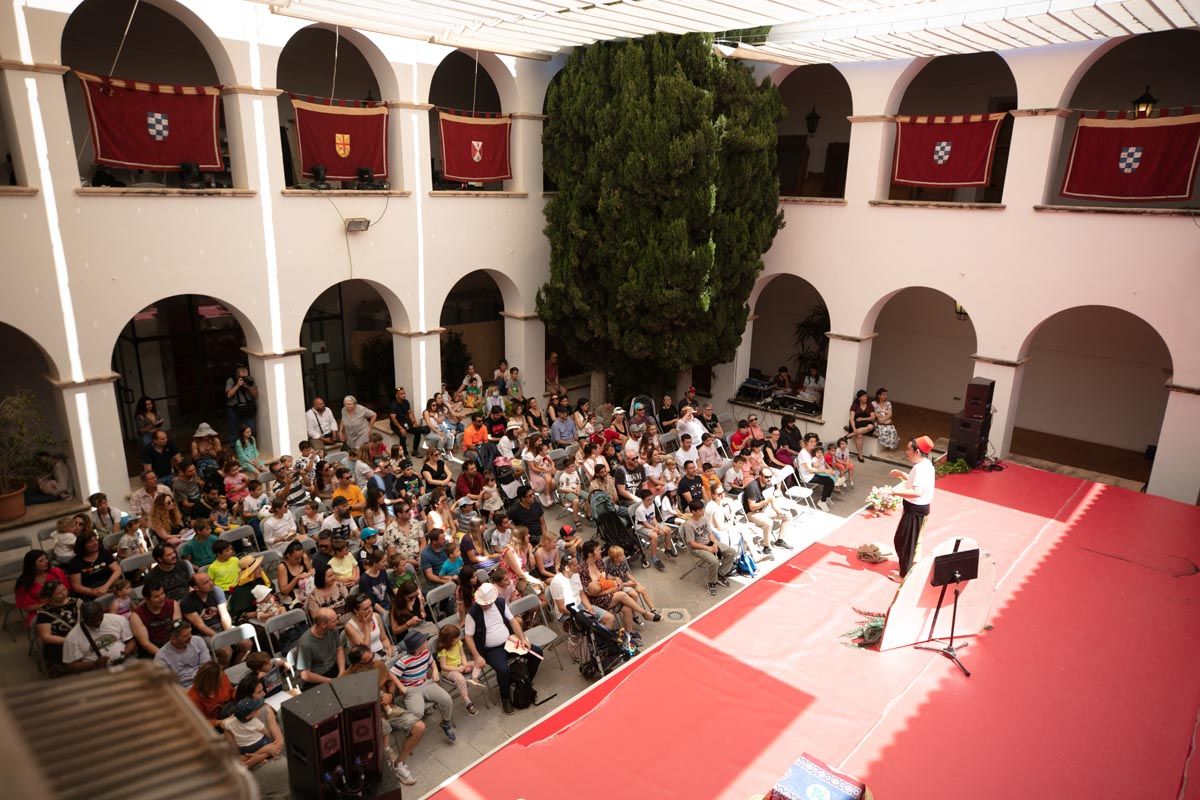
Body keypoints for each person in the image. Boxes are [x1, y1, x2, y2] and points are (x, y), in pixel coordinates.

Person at [463, 582, 541, 714]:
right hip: (491, 649)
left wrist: (522, 638)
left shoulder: (499, 603)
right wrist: (477, 656)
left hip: (509, 641)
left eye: (487, 603)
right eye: (483, 603)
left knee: (536, 653)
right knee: (504, 670)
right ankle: (505, 697)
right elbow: (468, 637)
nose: (485, 605)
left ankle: (524, 682)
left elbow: (512, 621)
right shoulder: (472, 613)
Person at [393, 631, 458, 742]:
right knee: (417, 713)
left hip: (426, 683)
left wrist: (435, 671)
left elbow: (432, 663)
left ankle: (446, 723)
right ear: (417, 647)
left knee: (446, 699)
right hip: (412, 689)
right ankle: (401, 702)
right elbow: (392, 674)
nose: (427, 641)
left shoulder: (426, 652)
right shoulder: (404, 661)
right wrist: (402, 688)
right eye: (424, 641)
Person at [889, 436, 936, 581]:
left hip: (915, 510)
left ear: (917, 451)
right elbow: (918, 484)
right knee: (911, 541)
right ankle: (909, 567)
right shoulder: (927, 464)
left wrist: (893, 492)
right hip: (919, 509)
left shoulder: (920, 468)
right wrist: (903, 475)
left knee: (905, 542)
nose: (906, 452)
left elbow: (917, 492)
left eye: (909, 449)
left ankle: (904, 575)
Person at [63, 599, 135, 671]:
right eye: (92, 622)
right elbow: (71, 665)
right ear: (83, 619)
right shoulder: (72, 637)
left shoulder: (118, 620)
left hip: (126, 663)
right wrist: (94, 664)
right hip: (98, 672)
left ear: (103, 612)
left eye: (100, 619)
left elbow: (131, 641)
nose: (97, 623)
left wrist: (126, 652)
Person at [682, 500, 735, 596]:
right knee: (714, 561)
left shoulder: (704, 519)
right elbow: (692, 543)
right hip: (698, 548)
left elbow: (710, 534)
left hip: (709, 543)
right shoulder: (688, 525)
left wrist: (714, 543)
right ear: (693, 512)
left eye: (703, 509)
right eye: (700, 510)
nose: (703, 512)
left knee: (731, 552)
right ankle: (711, 582)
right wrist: (708, 549)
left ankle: (720, 574)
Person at [602, 545, 661, 620]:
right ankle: (634, 615)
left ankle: (653, 609)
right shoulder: (611, 567)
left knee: (643, 589)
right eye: (621, 555)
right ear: (615, 558)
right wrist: (629, 584)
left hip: (627, 582)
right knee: (634, 594)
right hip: (620, 586)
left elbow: (627, 574)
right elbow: (614, 583)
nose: (624, 556)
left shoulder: (622, 562)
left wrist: (635, 581)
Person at [33, 580, 80, 674]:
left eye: (64, 590)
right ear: (50, 596)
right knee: (77, 659)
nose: (63, 593)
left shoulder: (77, 602)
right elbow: (46, 637)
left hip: (80, 636)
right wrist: (69, 641)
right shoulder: (44, 612)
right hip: (59, 642)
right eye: (59, 593)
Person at [435, 624, 481, 715]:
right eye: (457, 637)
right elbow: (443, 666)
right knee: (460, 679)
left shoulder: (458, 643)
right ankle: (467, 701)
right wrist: (458, 669)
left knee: (479, 663)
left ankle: (473, 679)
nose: (459, 638)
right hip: (449, 670)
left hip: (460, 665)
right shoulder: (443, 650)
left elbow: (463, 655)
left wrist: (464, 665)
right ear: (450, 640)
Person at [295, 607, 346, 688]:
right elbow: (305, 675)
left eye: (337, 618)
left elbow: (339, 650)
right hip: (317, 677)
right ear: (323, 625)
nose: (337, 622)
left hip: (333, 667)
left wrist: (342, 671)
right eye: (334, 621)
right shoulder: (305, 644)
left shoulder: (332, 629)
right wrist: (330, 681)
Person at [16, 549, 69, 627]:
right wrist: (50, 603)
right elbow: (27, 608)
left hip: (62, 603)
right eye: (41, 561)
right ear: (32, 565)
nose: (46, 562)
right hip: (39, 612)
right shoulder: (24, 583)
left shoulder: (56, 572)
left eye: (46, 559)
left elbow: (68, 590)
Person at [154, 618, 211, 688]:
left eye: (190, 632)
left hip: (203, 680)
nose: (190, 636)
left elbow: (207, 665)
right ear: (173, 639)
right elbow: (166, 684)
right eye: (185, 635)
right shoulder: (161, 657)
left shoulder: (197, 641)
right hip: (183, 689)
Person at [66, 530, 121, 600]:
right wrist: (94, 592)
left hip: (109, 586)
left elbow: (117, 570)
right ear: (83, 546)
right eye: (90, 542)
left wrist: (106, 586)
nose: (95, 543)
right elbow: (77, 586)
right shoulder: (75, 563)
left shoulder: (103, 553)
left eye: (95, 540)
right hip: (89, 593)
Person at [345, 592, 394, 659]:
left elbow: (384, 638)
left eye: (370, 606)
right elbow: (364, 650)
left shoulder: (376, 616)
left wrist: (388, 648)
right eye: (366, 609)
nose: (370, 610)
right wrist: (366, 625)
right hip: (366, 659)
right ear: (356, 611)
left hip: (382, 652)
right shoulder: (349, 627)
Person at [797, 433, 837, 511]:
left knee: (832, 478)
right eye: (811, 441)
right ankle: (822, 501)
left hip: (814, 472)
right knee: (829, 481)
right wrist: (825, 470)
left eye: (815, 441)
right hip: (808, 476)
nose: (813, 443)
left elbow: (820, 460)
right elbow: (809, 469)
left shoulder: (812, 451)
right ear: (806, 442)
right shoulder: (803, 454)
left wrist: (828, 469)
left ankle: (827, 497)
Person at [225, 366, 259, 437]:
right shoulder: (231, 380)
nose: (245, 379)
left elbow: (256, 395)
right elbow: (229, 395)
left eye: (246, 377)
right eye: (242, 377)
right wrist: (237, 385)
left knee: (251, 428)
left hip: (247, 407)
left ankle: (250, 446)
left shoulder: (250, 380)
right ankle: (234, 447)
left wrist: (249, 387)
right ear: (237, 376)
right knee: (233, 430)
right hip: (234, 407)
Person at [848, 390, 876, 463]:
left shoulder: (870, 405)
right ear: (859, 398)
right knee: (859, 436)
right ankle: (860, 455)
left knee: (871, 427)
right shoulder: (855, 405)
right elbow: (851, 419)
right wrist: (854, 429)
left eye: (866, 396)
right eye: (864, 396)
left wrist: (862, 419)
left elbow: (872, 417)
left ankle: (850, 435)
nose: (866, 397)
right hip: (856, 424)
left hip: (866, 423)